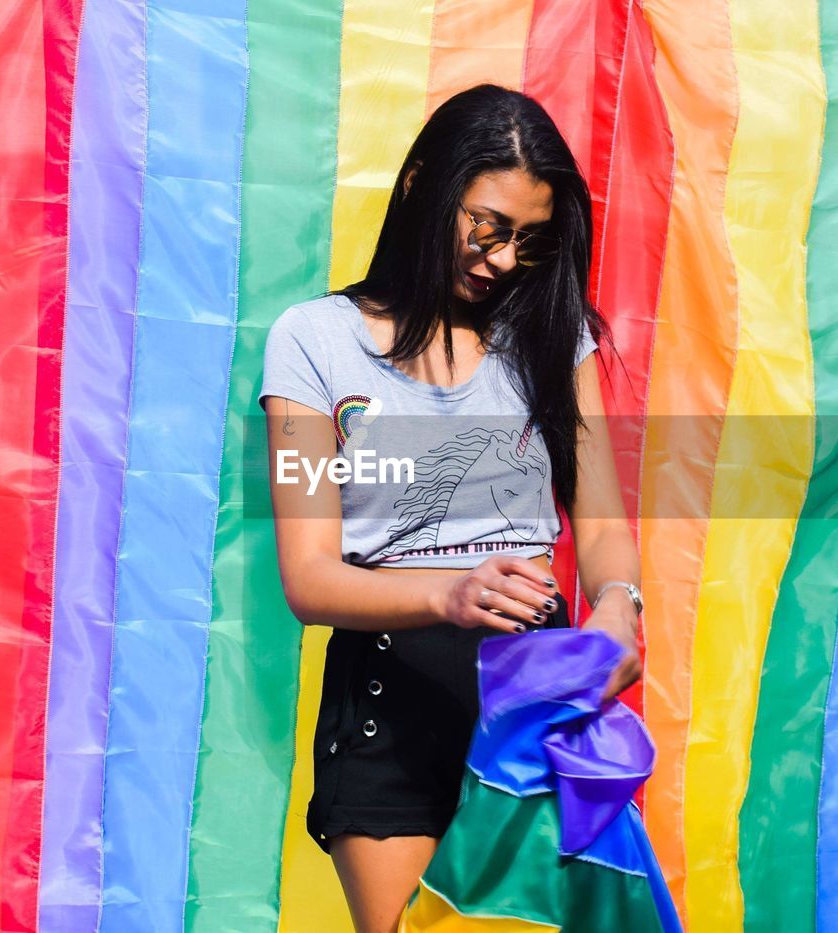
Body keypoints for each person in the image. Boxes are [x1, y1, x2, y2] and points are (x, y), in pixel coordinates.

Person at [259, 83, 645, 933]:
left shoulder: (552, 332)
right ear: (420, 186)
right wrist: (448, 591)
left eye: (530, 241)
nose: (505, 259)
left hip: (535, 690)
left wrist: (620, 606)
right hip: (391, 697)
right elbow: (309, 576)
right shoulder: (312, 341)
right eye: (487, 225)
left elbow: (605, 524)